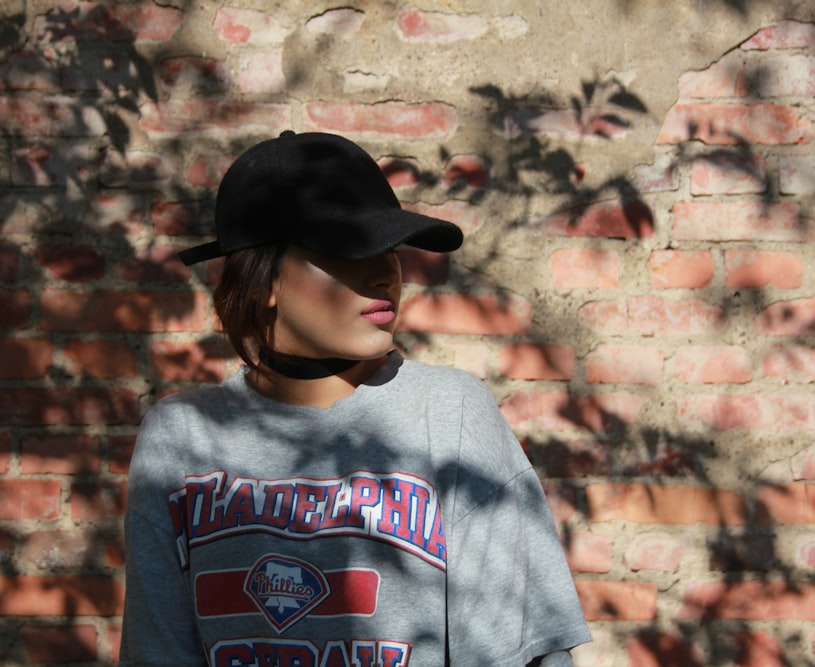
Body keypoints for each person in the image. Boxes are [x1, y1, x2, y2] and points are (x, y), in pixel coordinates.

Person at [120, 131, 591, 666]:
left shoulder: (449, 413)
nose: (384, 271)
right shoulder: (181, 437)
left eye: (389, 249)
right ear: (263, 279)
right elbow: (156, 651)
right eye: (346, 251)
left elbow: (517, 652)